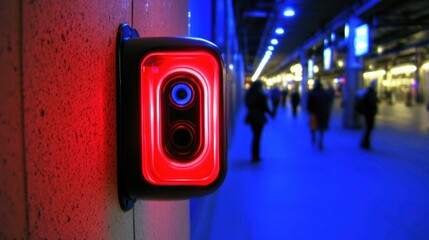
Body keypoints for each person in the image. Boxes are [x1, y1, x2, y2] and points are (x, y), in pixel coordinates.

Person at [245, 80, 273, 162]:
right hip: (260, 118)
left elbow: (247, 105)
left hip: (252, 118)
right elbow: (265, 107)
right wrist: (271, 114)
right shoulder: (261, 95)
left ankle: (254, 155)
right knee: (258, 137)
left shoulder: (249, 94)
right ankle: (256, 156)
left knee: (255, 136)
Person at [306, 80, 330, 150]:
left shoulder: (312, 93)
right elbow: (327, 104)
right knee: (321, 128)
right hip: (323, 113)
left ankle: (314, 138)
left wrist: (310, 112)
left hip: (314, 113)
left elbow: (309, 104)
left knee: (313, 127)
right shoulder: (325, 93)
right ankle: (321, 141)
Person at [358, 80, 378, 150]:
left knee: (368, 127)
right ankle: (365, 143)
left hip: (368, 112)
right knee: (369, 127)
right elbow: (371, 102)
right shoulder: (371, 93)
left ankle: (364, 142)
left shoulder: (367, 91)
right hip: (370, 112)